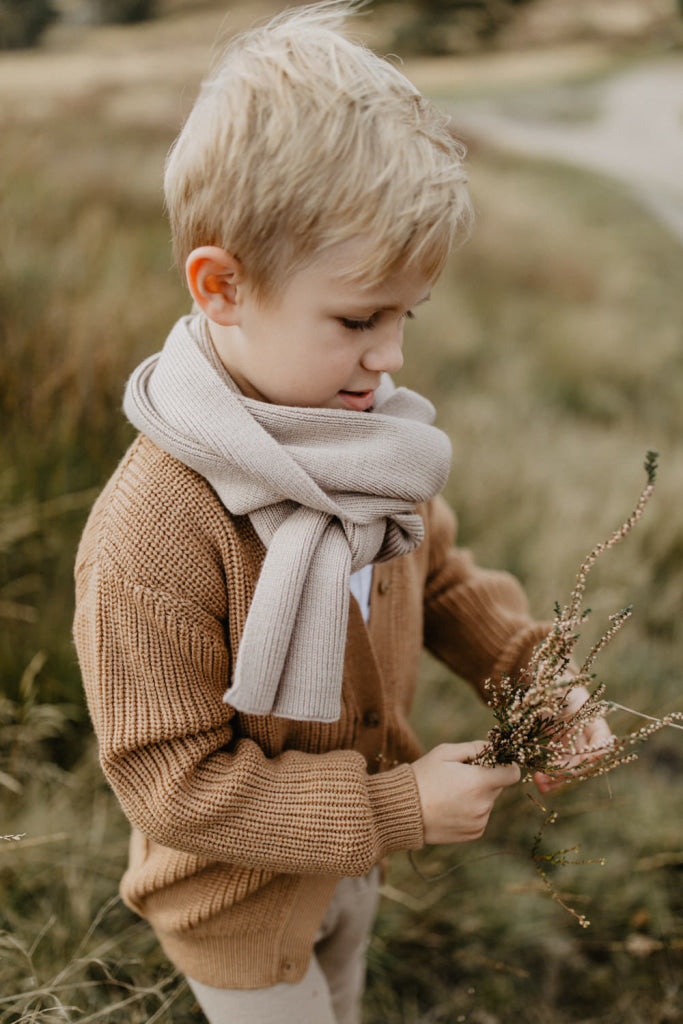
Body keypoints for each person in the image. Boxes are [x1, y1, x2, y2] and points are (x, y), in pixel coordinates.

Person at [73, 3, 605, 1021]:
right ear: (222, 285)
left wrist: (529, 667)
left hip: (351, 862)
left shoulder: (368, 443)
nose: (392, 357)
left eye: (408, 316)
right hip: (233, 906)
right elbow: (170, 781)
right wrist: (394, 805)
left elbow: (437, 574)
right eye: (359, 318)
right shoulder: (150, 533)